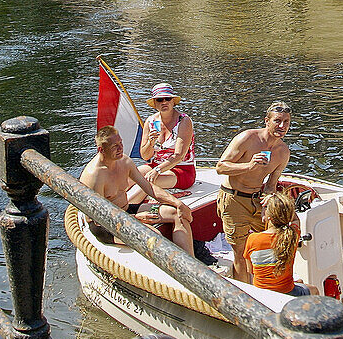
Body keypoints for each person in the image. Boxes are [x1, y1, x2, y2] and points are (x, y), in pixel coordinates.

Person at [80, 126, 193, 255]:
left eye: (121, 143)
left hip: (127, 211)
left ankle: (192, 264)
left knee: (177, 214)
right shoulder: (95, 175)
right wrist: (136, 218)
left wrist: (178, 204)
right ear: (101, 150)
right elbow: (98, 217)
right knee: (153, 237)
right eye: (114, 146)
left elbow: (148, 187)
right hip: (107, 226)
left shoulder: (124, 161)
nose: (120, 148)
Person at [216, 101, 292, 280]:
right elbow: (220, 167)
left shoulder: (283, 152)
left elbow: (271, 185)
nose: (282, 126)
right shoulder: (248, 138)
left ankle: (269, 287)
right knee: (240, 253)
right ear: (267, 121)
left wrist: (268, 202)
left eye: (286, 122)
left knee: (274, 243)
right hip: (234, 199)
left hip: (257, 201)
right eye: (277, 121)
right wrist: (248, 166)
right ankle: (245, 298)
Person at [243, 192, 316, 296]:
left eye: (265, 208)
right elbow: (295, 219)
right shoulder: (291, 235)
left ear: (269, 216)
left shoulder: (253, 239)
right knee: (313, 290)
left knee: (299, 282)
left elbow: (250, 271)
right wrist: (277, 200)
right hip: (287, 292)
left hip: (262, 294)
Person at [134, 82, 196, 192]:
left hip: (181, 169)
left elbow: (179, 156)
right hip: (156, 165)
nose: (164, 102)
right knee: (129, 176)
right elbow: (145, 156)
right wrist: (150, 143)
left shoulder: (184, 121)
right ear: (154, 103)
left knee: (146, 181)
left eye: (167, 98)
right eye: (159, 100)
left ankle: (129, 208)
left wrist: (157, 170)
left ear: (173, 101)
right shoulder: (151, 121)